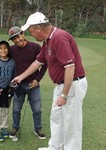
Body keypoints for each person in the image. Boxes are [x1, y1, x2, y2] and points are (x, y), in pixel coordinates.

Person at [12, 12, 88, 150]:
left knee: (71, 124)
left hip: (72, 85)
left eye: (31, 31)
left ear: (38, 29)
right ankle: (54, 147)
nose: (32, 35)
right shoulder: (47, 41)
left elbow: (70, 67)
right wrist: (21, 77)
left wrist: (64, 95)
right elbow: (37, 63)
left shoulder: (59, 38)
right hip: (61, 85)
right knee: (56, 118)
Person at [0, 26, 47, 140]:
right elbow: (1, 59)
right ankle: (15, 128)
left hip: (33, 84)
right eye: (14, 39)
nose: (17, 40)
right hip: (17, 85)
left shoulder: (35, 47)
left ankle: (38, 129)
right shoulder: (12, 50)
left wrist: (37, 79)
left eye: (18, 36)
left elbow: (44, 64)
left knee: (37, 109)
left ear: (23, 33)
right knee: (16, 110)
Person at [0, 40, 15, 143]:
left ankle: (4, 127)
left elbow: (14, 75)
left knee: (6, 110)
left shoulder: (12, 62)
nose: (3, 50)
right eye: (0, 48)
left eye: (5, 48)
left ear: (8, 49)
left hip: (8, 90)